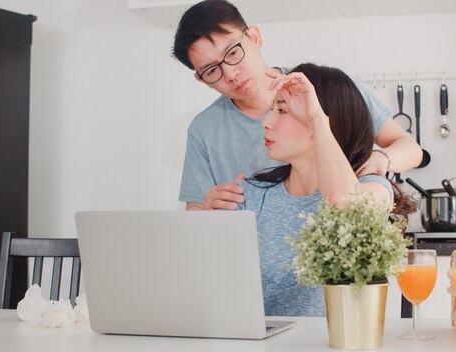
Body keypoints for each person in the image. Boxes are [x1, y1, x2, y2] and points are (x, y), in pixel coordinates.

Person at [172, 0, 422, 210]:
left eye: (234, 53)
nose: (231, 74)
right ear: (201, 79)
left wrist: (382, 159)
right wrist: (207, 210)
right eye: (212, 70)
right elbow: (196, 219)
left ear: (254, 37)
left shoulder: (322, 88)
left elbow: (411, 149)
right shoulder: (204, 130)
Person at [238, 62, 410, 316]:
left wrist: (318, 119)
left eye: (282, 110)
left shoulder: (372, 188)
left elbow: (343, 205)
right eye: (272, 109)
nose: (267, 122)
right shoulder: (252, 194)